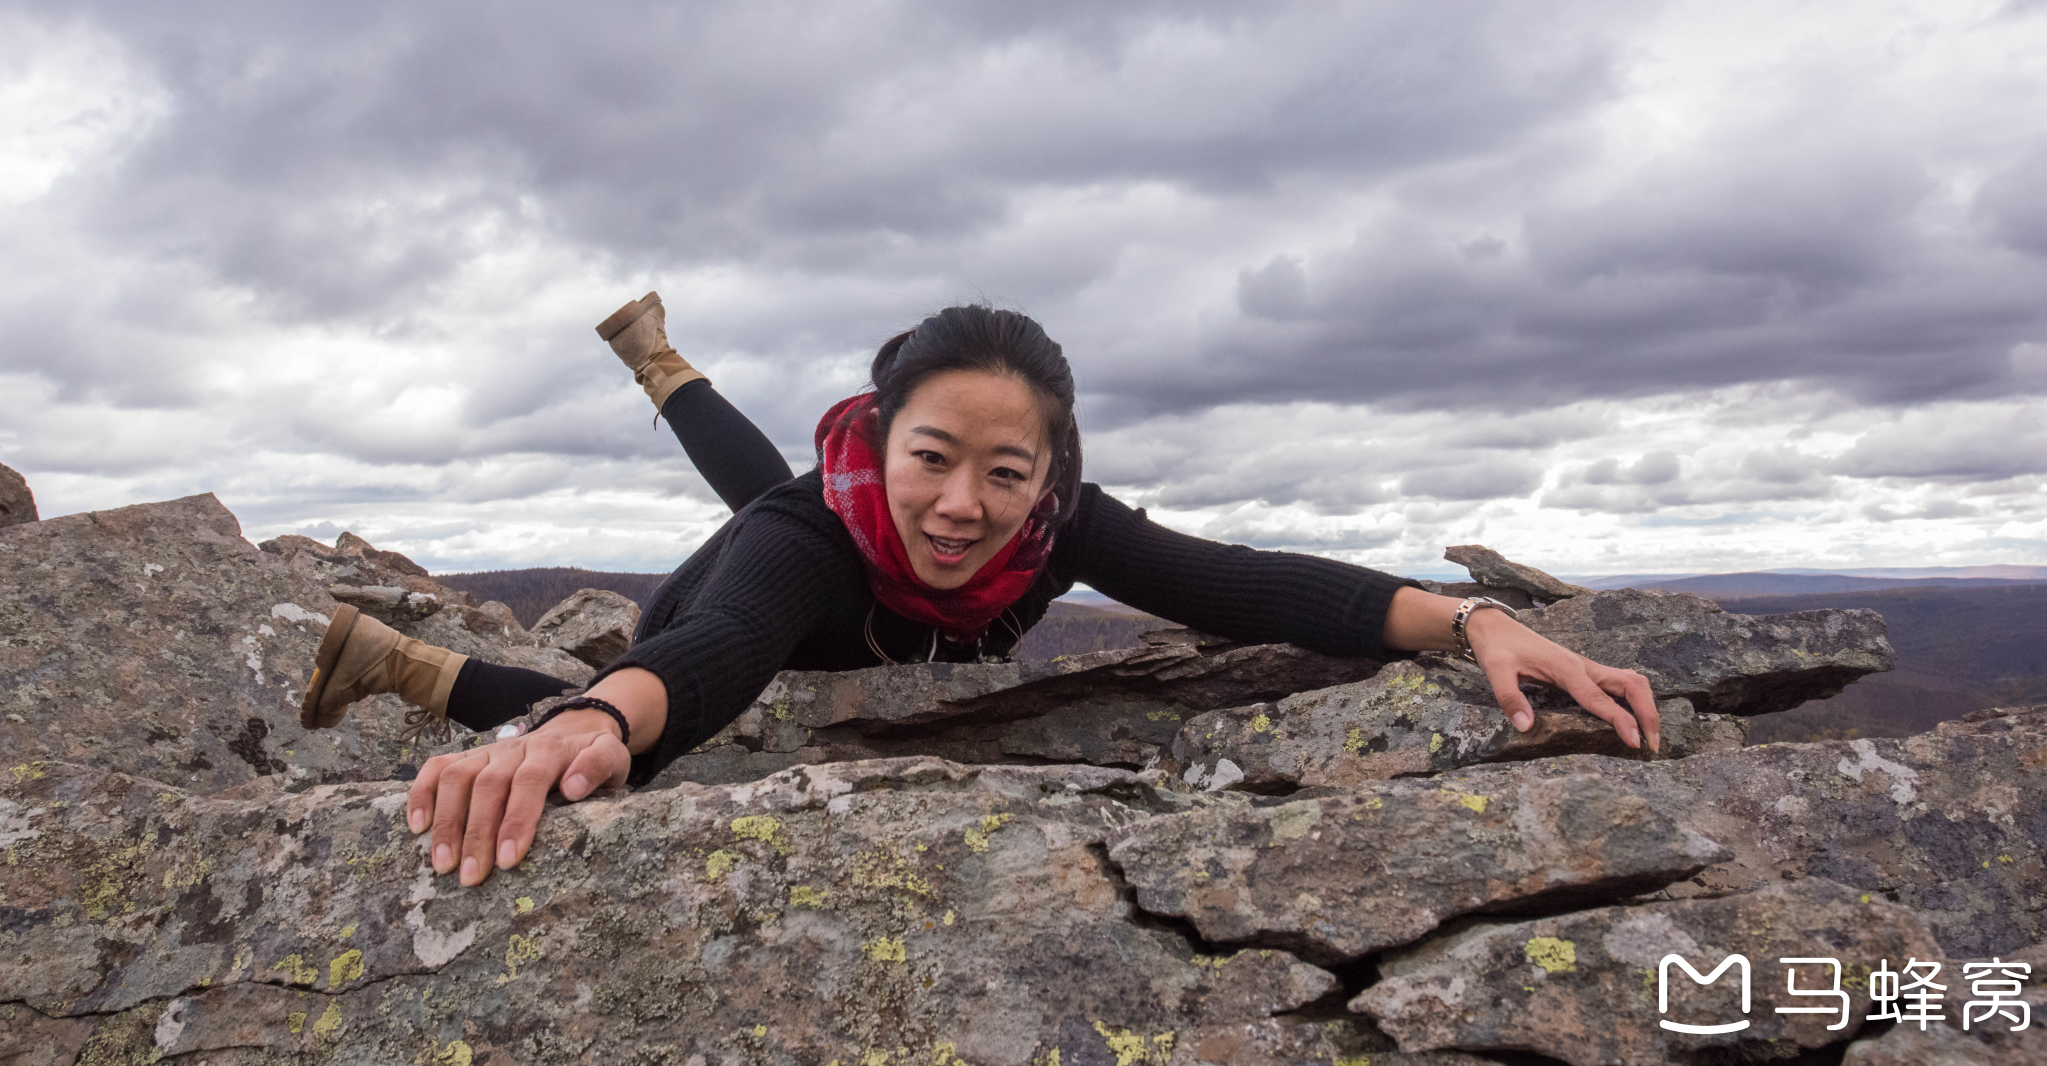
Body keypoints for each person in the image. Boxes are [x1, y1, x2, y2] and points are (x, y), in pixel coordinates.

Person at [301, 296, 1660, 888]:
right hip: (740, 602)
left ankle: (644, 376)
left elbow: (1255, 589)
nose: (963, 501)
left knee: (805, 532)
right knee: (649, 709)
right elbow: (718, 646)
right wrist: (596, 714)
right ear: (879, 440)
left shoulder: (1060, 521)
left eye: (1002, 470)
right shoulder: (809, 534)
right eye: (930, 457)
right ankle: (416, 669)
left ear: (1050, 471)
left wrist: (1478, 617)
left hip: (835, 559)